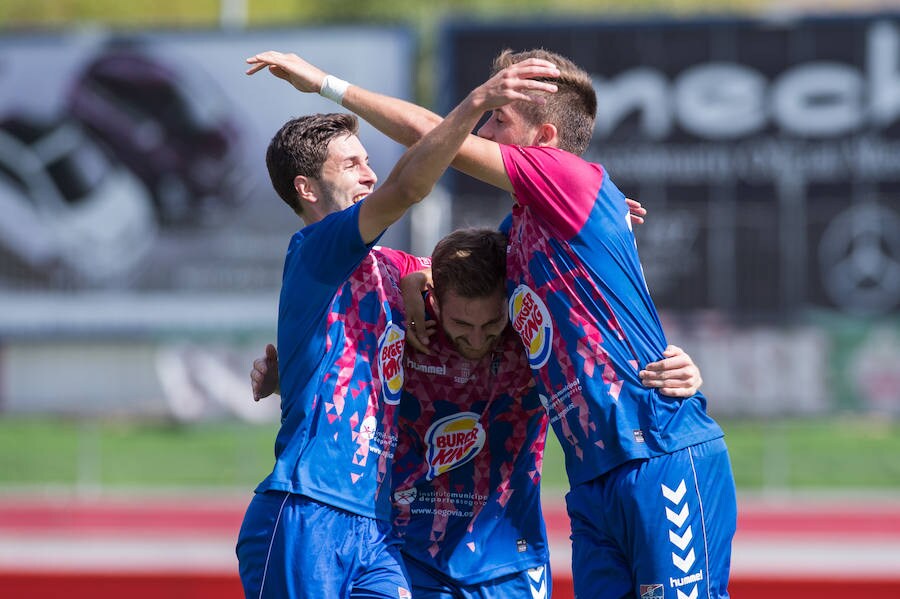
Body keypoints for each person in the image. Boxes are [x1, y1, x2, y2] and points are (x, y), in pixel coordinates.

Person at [245, 49, 737, 599]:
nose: (485, 126)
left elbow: (433, 141)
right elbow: (454, 267)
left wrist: (325, 83)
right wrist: (294, 362)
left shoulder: (570, 181)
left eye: (500, 117)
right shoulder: (520, 234)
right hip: (591, 481)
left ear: (545, 138)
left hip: (656, 449)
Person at [236, 55, 562, 599]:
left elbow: (462, 266)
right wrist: (477, 103)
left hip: (375, 526)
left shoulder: (391, 266)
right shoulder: (317, 250)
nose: (369, 174)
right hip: (307, 508)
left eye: (369, 161)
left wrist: (592, 217)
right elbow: (409, 187)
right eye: (351, 165)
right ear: (307, 189)